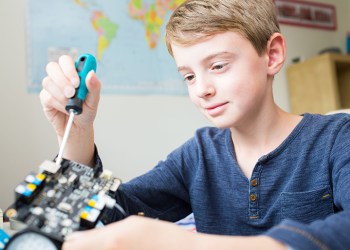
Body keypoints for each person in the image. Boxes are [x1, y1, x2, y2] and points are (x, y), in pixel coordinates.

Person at [39, 0, 350, 249]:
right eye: (188, 76)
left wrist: (189, 243)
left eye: (217, 65)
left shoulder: (337, 138)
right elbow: (114, 212)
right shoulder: (198, 155)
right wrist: (77, 135)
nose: (201, 89)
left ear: (272, 55)